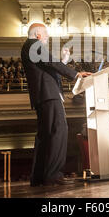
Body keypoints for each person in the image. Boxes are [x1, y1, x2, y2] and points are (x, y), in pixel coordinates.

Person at [21, 23, 91, 187]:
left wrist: (64, 61)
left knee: (45, 135)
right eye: (45, 34)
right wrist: (76, 74)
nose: (47, 37)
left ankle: (39, 176)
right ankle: (53, 175)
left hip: (43, 95)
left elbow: (48, 67)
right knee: (58, 130)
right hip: (48, 95)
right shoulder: (33, 44)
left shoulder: (31, 48)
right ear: (38, 34)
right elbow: (51, 63)